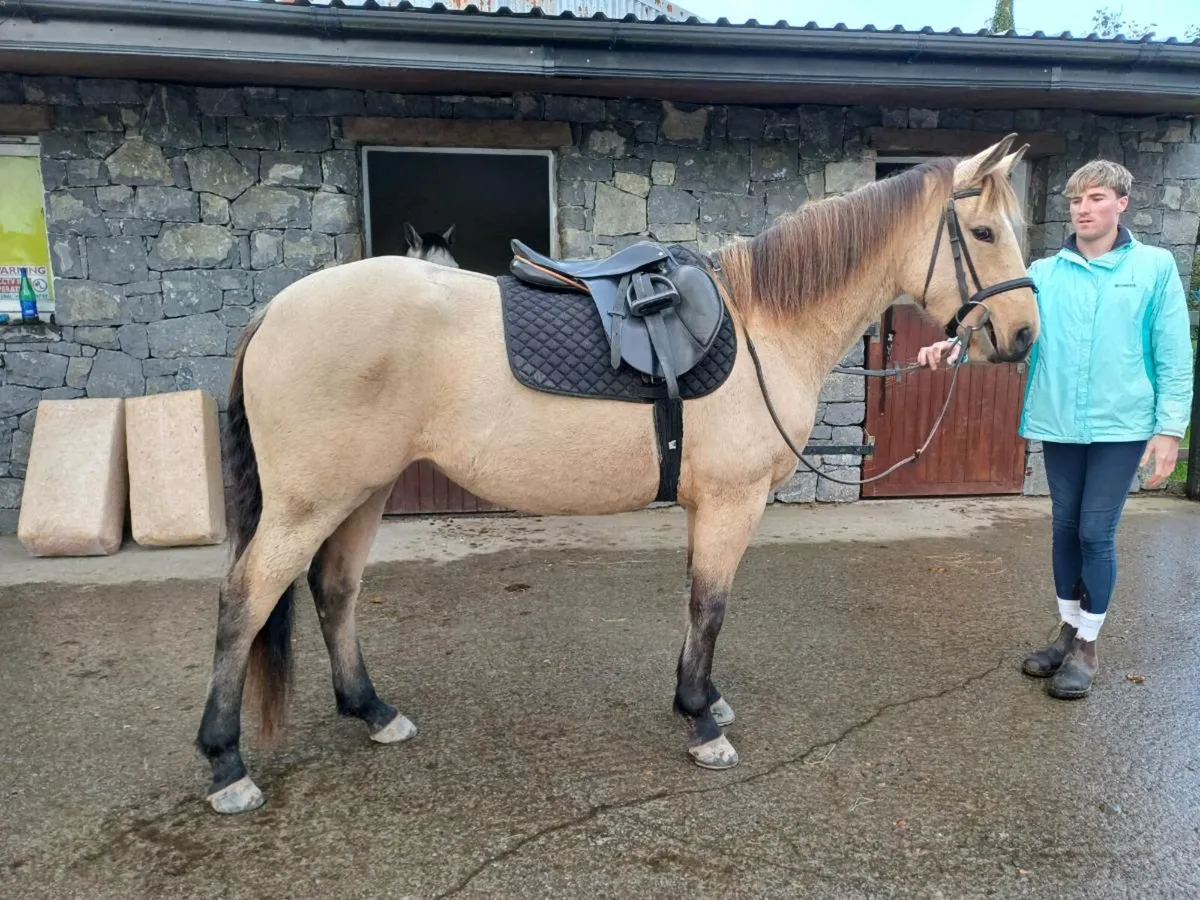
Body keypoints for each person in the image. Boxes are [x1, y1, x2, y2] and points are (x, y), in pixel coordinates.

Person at [917, 158, 1194, 700]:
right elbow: (994, 329)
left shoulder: (1155, 268)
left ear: (1121, 204)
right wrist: (950, 347)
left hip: (1122, 424)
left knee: (1095, 532)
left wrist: (1170, 429)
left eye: (1095, 198)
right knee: (1065, 530)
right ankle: (1068, 631)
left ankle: (1088, 646)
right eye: (1075, 201)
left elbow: (1173, 353)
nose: (1083, 209)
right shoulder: (1042, 274)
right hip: (1060, 421)